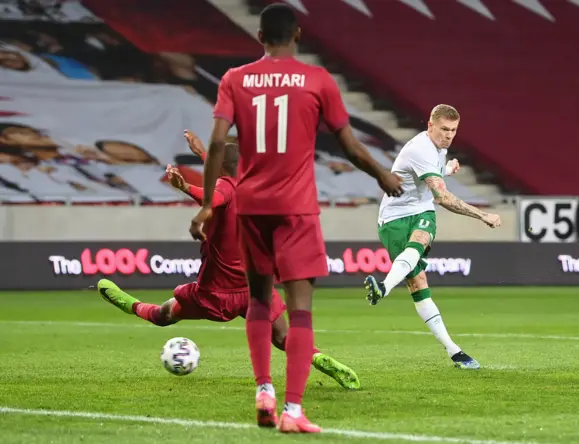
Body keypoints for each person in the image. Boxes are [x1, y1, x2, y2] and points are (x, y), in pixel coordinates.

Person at [188, 3, 403, 434]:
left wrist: (210, 203)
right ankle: (292, 411)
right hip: (296, 208)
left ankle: (263, 388)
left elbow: (215, 145)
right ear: (298, 35)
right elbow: (348, 144)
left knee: (260, 301)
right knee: (300, 310)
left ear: (260, 36)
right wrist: (382, 174)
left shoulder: (235, 79)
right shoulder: (318, 80)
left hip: (251, 206)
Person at [97, 132, 360, 394]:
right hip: (254, 289)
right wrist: (201, 151)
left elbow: (215, 197)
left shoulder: (224, 187)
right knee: (282, 338)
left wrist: (186, 187)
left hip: (215, 292)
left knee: (164, 315)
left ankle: (129, 304)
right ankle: (317, 357)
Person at [364, 104, 501, 370]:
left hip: (419, 211)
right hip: (393, 219)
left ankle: (454, 351)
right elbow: (442, 197)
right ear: (430, 125)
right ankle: (385, 288)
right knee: (417, 284)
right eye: (444, 129)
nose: (449, 136)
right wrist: (482, 215)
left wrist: (445, 169)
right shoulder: (421, 149)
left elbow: (426, 176)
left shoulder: (437, 147)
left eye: (453, 131)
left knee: (421, 246)